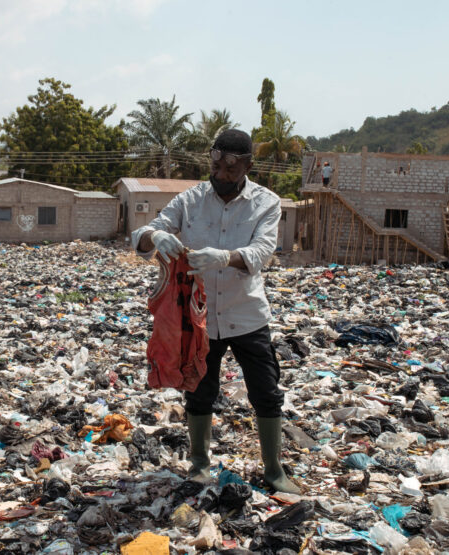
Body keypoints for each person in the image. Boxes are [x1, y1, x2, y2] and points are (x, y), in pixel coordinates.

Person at [131, 129, 299, 493]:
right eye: (216, 165)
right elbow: (142, 235)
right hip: (200, 317)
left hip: (247, 315)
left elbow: (261, 252)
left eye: (230, 168)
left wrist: (225, 257)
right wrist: (155, 236)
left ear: (248, 166)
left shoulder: (266, 203)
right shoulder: (191, 200)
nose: (221, 174)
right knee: (199, 390)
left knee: (266, 393)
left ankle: (274, 471)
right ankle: (199, 466)